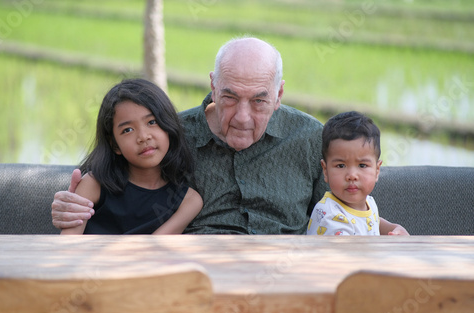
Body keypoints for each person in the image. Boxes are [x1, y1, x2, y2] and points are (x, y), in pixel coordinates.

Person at [52, 37, 408, 236]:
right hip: (195, 276)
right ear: (212, 85)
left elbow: (346, 203)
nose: (242, 117)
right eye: (229, 97)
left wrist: (390, 230)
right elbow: (119, 184)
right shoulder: (171, 135)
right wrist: (72, 207)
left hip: (288, 275)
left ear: (279, 95)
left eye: (259, 101)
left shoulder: (311, 138)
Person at [61, 78, 203, 235]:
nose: (143, 137)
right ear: (115, 145)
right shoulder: (94, 185)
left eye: (152, 122)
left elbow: (154, 248)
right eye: (127, 130)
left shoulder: (189, 201)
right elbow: (67, 245)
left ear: (168, 126)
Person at [307, 111, 384, 236]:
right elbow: (349, 254)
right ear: (325, 171)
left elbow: (370, 221)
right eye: (341, 165)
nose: (352, 175)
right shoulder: (330, 215)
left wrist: (393, 228)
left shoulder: (369, 203)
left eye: (362, 165)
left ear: (377, 170)